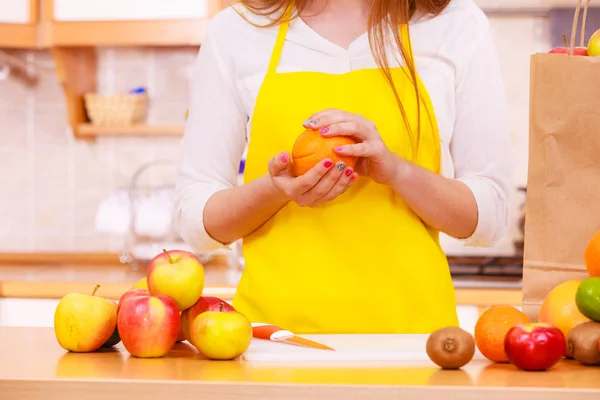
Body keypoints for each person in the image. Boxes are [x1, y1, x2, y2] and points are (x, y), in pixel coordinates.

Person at [175, 0, 513, 334]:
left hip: (416, 347)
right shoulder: (237, 30)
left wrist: (398, 172)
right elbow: (197, 222)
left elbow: (490, 215)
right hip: (275, 345)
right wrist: (276, 189)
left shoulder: (456, 25)